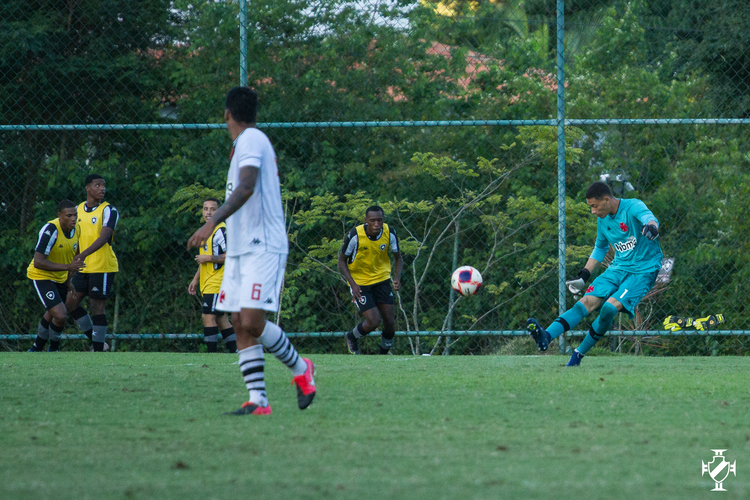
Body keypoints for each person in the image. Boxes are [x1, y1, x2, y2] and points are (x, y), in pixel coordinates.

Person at [188, 86, 315, 416]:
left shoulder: (251, 140)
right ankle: (258, 400)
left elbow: (247, 186)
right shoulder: (245, 143)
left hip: (263, 245)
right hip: (241, 248)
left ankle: (301, 368)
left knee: (252, 321)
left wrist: (211, 221)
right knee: (237, 321)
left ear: (227, 114)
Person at [526, 181, 663, 366]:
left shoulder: (633, 206)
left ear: (606, 199)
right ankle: (546, 336)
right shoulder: (603, 220)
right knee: (586, 302)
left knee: (609, 308)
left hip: (643, 270)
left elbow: (649, 217)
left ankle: (578, 354)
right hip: (618, 267)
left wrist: (652, 226)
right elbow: (600, 248)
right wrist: (584, 276)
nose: (593, 211)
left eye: (594, 206)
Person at [65, 174, 120, 352]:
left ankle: (98, 350)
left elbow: (104, 238)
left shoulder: (109, 210)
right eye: (97, 185)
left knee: (97, 307)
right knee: (70, 304)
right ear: (87, 188)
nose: (102, 189)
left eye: (103, 185)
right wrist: (73, 261)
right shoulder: (77, 210)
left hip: (102, 266)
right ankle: (99, 343)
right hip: (82, 267)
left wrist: (82, 255)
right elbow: (74, 239)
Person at [338, 206, 402, 355]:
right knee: (373, 321)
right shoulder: (355, 236)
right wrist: (353, 285)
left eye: (380, 220)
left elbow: (398, 258)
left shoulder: (389, 233)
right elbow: (341, 261)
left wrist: (397, 278)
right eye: (372, 220)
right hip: (360, 283)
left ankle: (381, 358)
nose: (376, 224)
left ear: (383, 220)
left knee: (390, 323)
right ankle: (351, 337)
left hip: (382, 280)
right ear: (366, 220)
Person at [27, 200, 86, 351]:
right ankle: (53, 349)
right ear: (60, 215)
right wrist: (68, 267)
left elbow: (73, 255)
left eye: (75, 215)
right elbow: (38, 262)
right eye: (69, 215)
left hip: (60, 277)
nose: (73, 219)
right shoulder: (51, 230)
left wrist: (69, 280)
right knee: (60, 314)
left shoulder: (77, 229)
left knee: (51, 313)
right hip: (41, 276)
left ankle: (36, 349)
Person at [188, 197, 237, 353]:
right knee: (221, 318)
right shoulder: (206, 231)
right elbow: (204, 259)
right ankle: (236, 351)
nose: (208, 212)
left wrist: (208, 258)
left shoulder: (221, 230)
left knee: (207, 316)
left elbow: (230, 256)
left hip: (218, 281)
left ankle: (211, 355)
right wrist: (195, 279)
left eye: (212, 209)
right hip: (208, 282)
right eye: (205, 209)